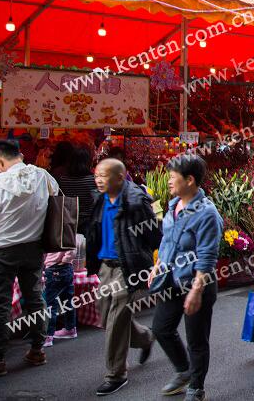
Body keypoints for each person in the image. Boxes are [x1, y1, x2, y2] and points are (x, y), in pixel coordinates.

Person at [86, 158, 160, 396]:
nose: (98, 179)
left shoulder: (136, 202)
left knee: (116, 319)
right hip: (105, 266)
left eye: (103, 175)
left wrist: (145, 261)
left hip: (127, 267)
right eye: (96, 174)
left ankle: (116, 374)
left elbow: (154, 235)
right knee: (107, 315)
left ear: (119, 177)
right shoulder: (99, 199)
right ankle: (146, 337)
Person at [151, 154, 222, 401]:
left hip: (197, 282)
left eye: (173, 177)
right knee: (161, 328)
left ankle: (196, 387)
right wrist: (158, 264)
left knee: (197, 340)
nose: (169, 181)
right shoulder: (173, 205)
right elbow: (167, 239)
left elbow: (207, 255)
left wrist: (196, 290)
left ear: (190, 180)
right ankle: (184, 371)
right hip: (171, 280)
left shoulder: (207, 213)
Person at [0, 139, 59, 377]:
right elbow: (56, 197)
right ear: (20, 155)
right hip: (34, 248)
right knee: (35, 297)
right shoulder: (42, 176)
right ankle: (38, 348)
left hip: (1, 251)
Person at [56, 144, 98, 234]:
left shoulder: (63, 180)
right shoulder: (93, 180)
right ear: (88, 162)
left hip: (68, 224)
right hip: (88, 223)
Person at [42, 245, 76, 347]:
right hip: (66, 268)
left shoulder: (55, 229)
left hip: (55, 267)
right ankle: (70, 329)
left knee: (50, 303)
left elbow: (72, 251)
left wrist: (62, 261)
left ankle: (48, 336)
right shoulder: (67, 229)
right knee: (68, 299)